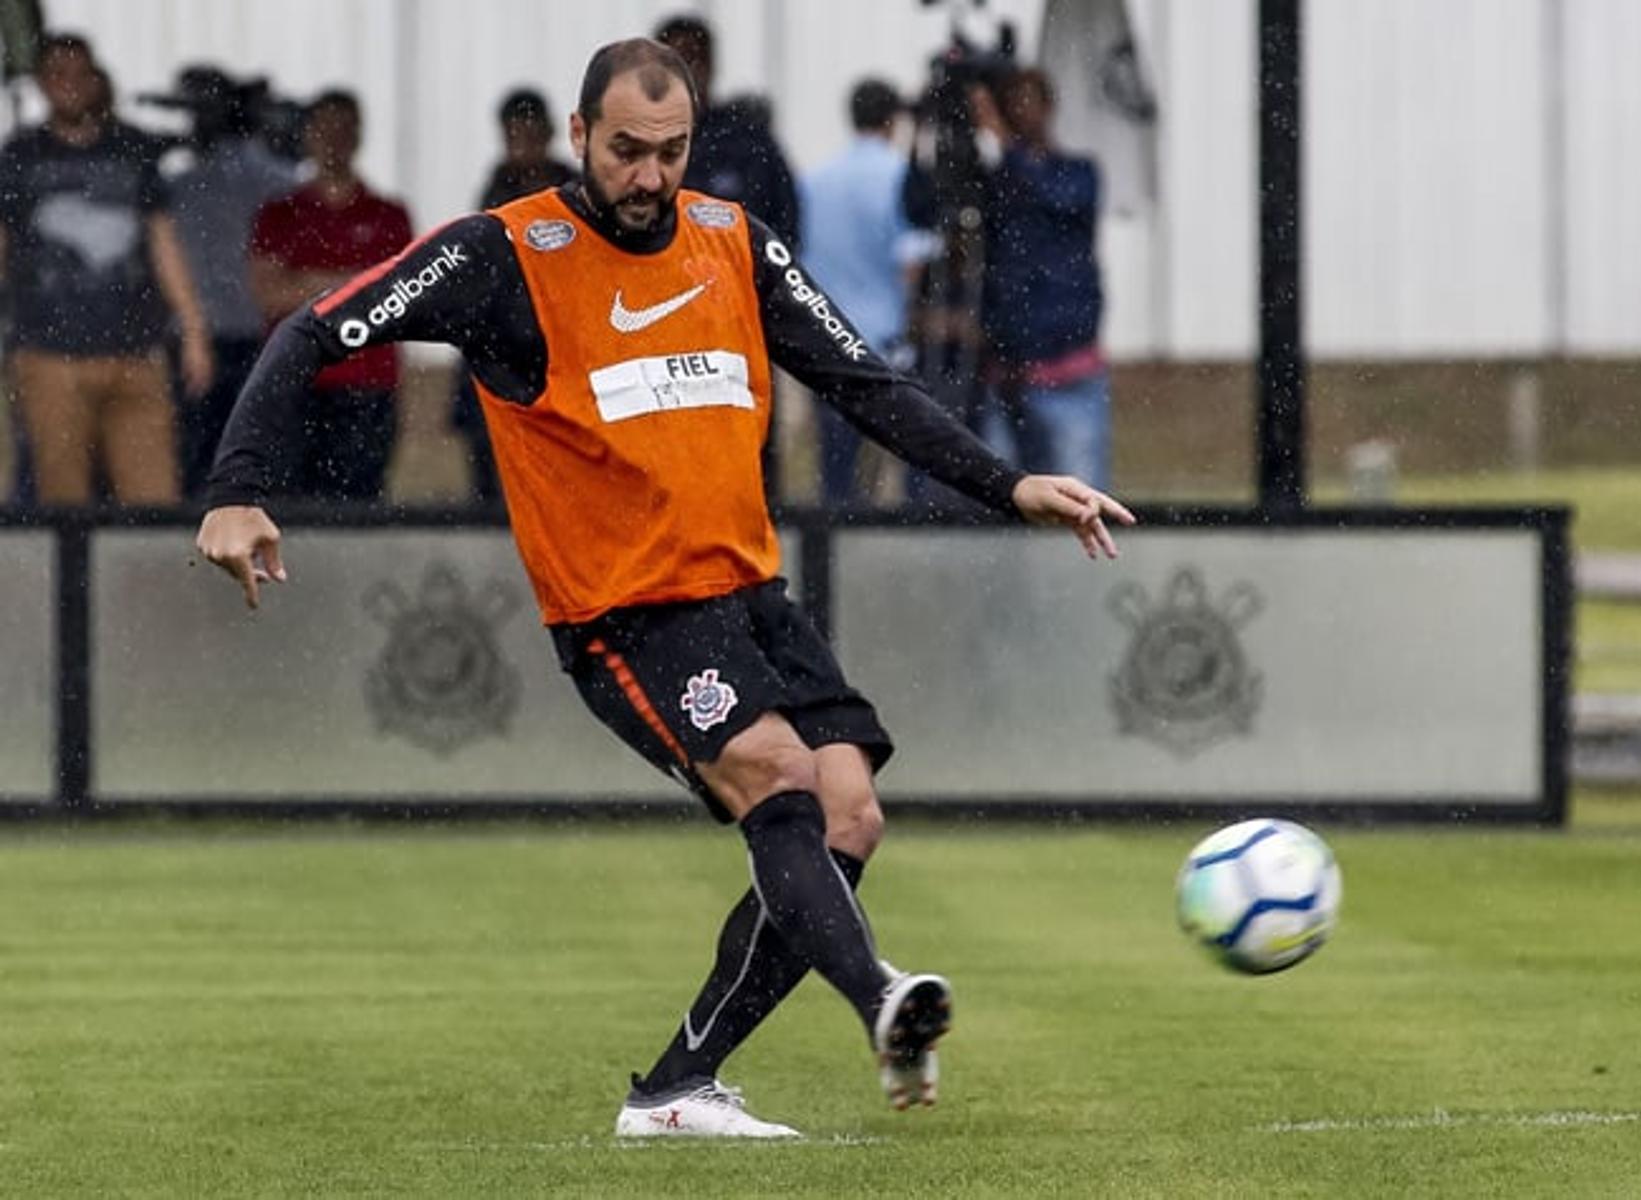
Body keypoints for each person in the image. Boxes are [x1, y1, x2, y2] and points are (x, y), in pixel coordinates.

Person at [196, 37, 1131, 1140]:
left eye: (672, 152)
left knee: (851, 814)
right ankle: (881, 998)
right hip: (624, 613)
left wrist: (1010, 482)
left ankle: (676, 1088)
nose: (651, 177)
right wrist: (236, 489)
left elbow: (863, 382)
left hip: (748, 593)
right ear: (581, 135)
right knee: (779, 781)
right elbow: (314, 329)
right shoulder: (505, 253)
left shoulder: (732, 240)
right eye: (629, 151)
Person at [0, 33, 212, 506]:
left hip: (136, 352)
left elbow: (163, 243)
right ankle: (73, 584)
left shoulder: (132, 149)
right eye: (58, 74)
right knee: (64, 500)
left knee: (152, 499)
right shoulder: (19, 156)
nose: (69, 84)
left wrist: (194, 328)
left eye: (79, 74)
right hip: (50, 355)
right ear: (41, 83)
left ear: (95, 80)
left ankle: (141, 581)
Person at [247, 89, 412, 500]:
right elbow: (269, 296)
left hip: (367, 387)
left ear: (358, 136)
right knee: (288, 509)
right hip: (295, 383)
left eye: (344, 129)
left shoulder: (389, 215)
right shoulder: (280, 214)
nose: (334, 139)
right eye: (324, 129)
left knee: (357, 512)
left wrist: (307, 283)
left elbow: (399, 300)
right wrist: (352, 281)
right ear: (307, 136)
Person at [161, 66, 300, 498]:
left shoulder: (192, 182)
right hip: (207, 336)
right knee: (229, 455)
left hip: (239, 333)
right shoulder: (271, 178)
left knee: (214, 459)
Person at [976, 68, 1110, 490]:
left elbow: (1055, 198)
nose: (1019, 113)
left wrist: (1005, 143)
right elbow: (924, 207)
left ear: (1048, 107)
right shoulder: (995, 182)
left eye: (1027, 102)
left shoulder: (1077, 173)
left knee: (1080, 496)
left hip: (1066, 363)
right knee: (1002, 499)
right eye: (1010, 104)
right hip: (1006, 371)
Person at [453, 87, 578, 503]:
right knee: (495, 470)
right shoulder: (494, 194)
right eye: (516, 135)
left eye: (531, 134)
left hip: (562, 348)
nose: (524, 146)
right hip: (503, 349)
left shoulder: (574, 192)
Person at [800, 78, 919, 508]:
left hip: (826, 340)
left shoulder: (815, 179)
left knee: (836, 476)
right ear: (893, 121)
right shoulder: (901, 176)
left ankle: (833, 565)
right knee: (903, 469)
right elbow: (913, 260)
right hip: (887, 342)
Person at [653, 14, 801, 248]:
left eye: (692, 59)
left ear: (710, 65)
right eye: (672, 65)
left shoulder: (748, 141)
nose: (684, 74)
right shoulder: (638, 145)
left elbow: (784, 223)